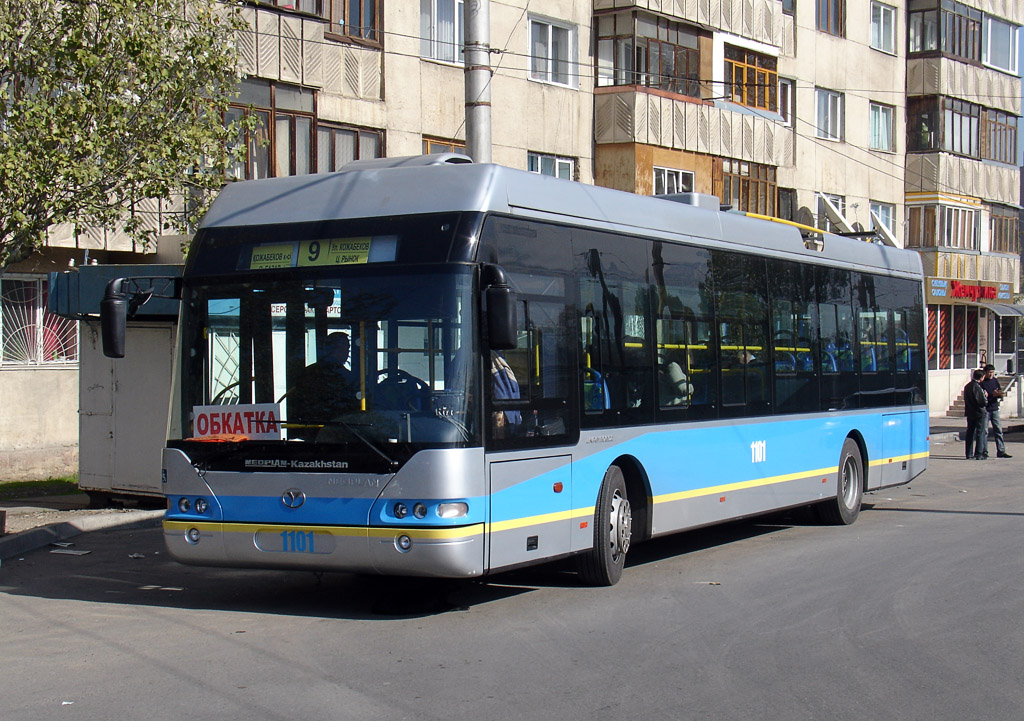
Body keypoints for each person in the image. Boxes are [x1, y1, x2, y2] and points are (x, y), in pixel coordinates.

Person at [288, 331, 360, 437]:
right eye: (346, 349)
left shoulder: (308, 372)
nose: (347, 353)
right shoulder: (346, 377)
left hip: (308, 433)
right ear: (335, 349)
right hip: (338, 434)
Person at [979, 363, 1012, 458]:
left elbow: (999, 390)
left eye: (992, 372)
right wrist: (991, 395)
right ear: (985, 373)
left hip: (994, 408)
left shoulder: (995, 381)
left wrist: (1000, 394)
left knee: (998, 430)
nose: (991, 374)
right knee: (984, 431)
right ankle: (984, 451)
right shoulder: (982, 382)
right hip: (986, 409)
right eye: (989, 372)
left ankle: (1001, 451)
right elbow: (982, 396)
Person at [963, 369, 989, 460]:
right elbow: (981, 401)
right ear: (981, 377)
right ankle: (979, 453)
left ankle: (968, 453)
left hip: (970, 412)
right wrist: (985, 396)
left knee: (970, 432)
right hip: (978, 412)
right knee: (980, 432)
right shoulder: (977, 387)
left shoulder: (967, 386)